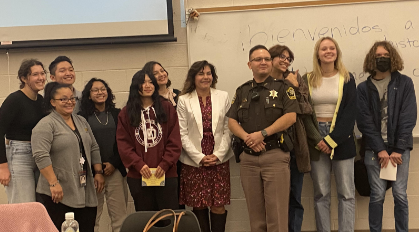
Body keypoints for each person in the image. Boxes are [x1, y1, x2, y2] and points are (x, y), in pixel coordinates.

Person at [226, 45, 299, 232]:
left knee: (277, 216)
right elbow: (232, 121)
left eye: (267, 58)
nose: (263, 62)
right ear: (250, 64)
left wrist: (262, 134)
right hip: (248, 159)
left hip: (274, 156)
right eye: (258, 59)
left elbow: (291, 117)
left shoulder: (283, 88)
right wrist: (248, 138)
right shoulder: (242, 90)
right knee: (255, 216)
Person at [357, 41, 417, 232]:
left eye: (385, 55)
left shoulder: (405, 83)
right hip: (374, 150)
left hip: (400, 150)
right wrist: (380, 149)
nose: (382, 59)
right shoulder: (363, 88)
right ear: (371, 60)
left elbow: (408, 117)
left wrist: (398, 149)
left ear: (392, 58)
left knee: (400, 194)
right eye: (378, 56)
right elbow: (364, 122)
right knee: (377, 195)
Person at [32, 82, 105, 231]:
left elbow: (93, 147)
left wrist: (98, 172)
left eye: (72, 98)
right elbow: (40, 156)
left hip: (84, 189)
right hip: (58, 193)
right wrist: (53, 183)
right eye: (63, 99)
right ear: (52, 102)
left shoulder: (81, 120)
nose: (69, 102)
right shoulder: (45, 125)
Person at [301, 36, 356, 232]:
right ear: (318, 53)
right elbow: (304, 112)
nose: (328, 51)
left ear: (337, 52)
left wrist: (332, 140)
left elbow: (350, 113)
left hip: (342, 138)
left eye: (332, 48)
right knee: (321, 193)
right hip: (316, 139)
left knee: (346, 194)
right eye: (324, 48)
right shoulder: (306, 79)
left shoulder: (347, 78)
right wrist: (318, 139)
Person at [177, 60, 232, 232]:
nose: (205, 77)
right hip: (194, 160)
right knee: (198, 205)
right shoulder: (184, 100)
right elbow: (182, 133)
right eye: (201, 73)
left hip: (219, 159)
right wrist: (200, 158)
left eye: (208, 73)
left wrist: (218, 155)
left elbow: (228, 129)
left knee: (218, 205)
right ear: (193, 77)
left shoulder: (223, 96)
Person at [117, 69, 181, 212]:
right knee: (146, 218)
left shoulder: (167, 108)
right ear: (135, 86)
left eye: (151, 82)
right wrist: (139, 165)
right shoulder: (126, 113)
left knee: (168, 218)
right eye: (143, 82)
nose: (147, 85)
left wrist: (165, 164)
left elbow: (175, 139)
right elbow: (123, 144)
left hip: (165, 174)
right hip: (138, 176)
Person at [269, 44, 312, 232]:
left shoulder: (296, 80)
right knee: (274, 199)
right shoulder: (263, 82)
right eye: (281, 56)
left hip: (295, 145)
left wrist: (293, 86)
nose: (285, 60)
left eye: (288, 58)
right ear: (270, 59)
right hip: (271, 148)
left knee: (294, 196)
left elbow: (305, 108)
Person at [79, 78, 128, 232]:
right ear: (88, 95)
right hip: (93, 174)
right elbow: (82, 146)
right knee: (93, 217)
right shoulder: (81, 117)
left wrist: (114, 163)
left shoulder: (117, 113)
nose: (100, 92)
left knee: (120, 217)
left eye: (103, 89)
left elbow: (125, 141)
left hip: (115, 170)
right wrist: (97, 169)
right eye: (95, 90)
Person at [0, 59, 46, 203]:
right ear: (24, 78)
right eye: (35, 74)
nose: (41, 77)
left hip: (38, 155)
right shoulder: (14, 100)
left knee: (38, 207)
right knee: (23, 207)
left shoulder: (41, 101)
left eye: (43, 73)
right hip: (18, 156)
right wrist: (3, 166)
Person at [142, 61, 184, 209]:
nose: (161, 74)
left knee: (178, 202)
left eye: (162, 70)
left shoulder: (179, 95)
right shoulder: (145, 101)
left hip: (181, 155)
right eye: (155, 73)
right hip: (158, 159)